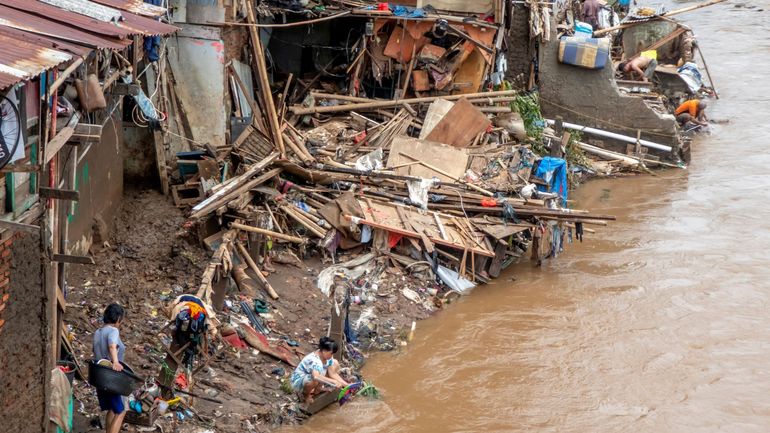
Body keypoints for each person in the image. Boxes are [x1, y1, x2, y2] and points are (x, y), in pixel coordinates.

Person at [93, 304, 128, 433]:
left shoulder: (97, 332)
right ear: (118, 318)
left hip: (99, 376)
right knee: (121, 411)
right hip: (112, 377)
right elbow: (112, 346)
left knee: (112, 409)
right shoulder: (113, 331)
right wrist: (116, 362)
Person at [290, 337, 350, 403]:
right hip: (299, 381)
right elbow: (316, 377)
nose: (332, 355)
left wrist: (346, 385)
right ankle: (305, 395)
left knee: (334, 363)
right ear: (324, 351)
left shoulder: (326, 356)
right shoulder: (315, 361)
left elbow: (332, 373)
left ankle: (318, 389)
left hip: (313, 376)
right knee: (315, 379)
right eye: (331, 353)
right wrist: (333, 381)